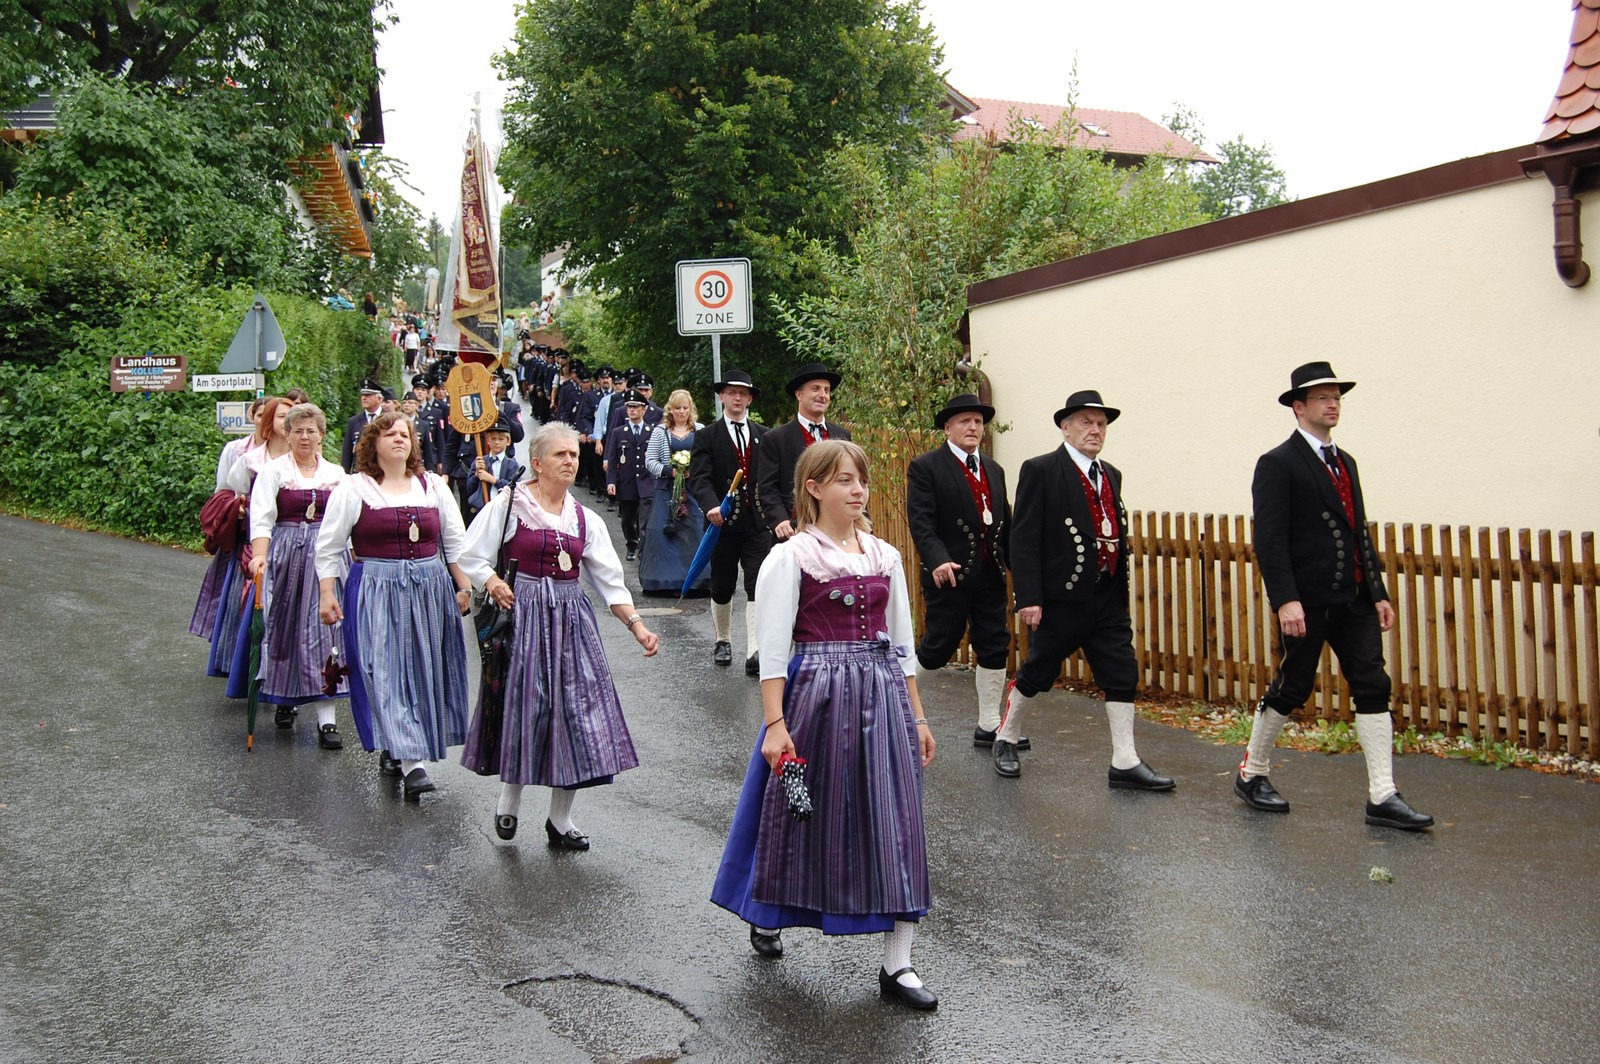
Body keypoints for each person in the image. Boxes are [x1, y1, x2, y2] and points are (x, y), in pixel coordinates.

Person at [711, 440, 938, 1011]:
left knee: (897, 819)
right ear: (813, 488)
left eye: (861, 480)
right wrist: (775, 724)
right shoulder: (790, 557)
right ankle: (768, 912)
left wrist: (917, 716)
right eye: (843, 480)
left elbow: (902, 644)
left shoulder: (885, 556)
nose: (858, 490)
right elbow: (773, 649)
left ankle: (899, 962)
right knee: (801, 816)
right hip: (817, 695)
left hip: (883, 694)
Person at [1241, 362, 1432, 831]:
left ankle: (1383, 794)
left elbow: (1358, 530)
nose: (1333, 404)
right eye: (1323, 398)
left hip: (1355, 598)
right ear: (1298, 407)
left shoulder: (1346, 462)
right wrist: (1286, 600)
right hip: (1307, 601)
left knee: (1372, 683)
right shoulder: (1277, 463)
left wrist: (1377, 591)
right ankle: (1252, 771)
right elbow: (1270, 539)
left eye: (1337, 397)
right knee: (1293, 686)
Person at [459, 423, 659, 847]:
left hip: (571, 622)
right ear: (537, 463)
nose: (570, 461)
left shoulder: (584, 518)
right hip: (522, 618)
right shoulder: (509, 504)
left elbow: (609, 581)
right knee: (526, 708)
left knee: (577, 716)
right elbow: (471, 556)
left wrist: (637, 626)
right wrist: (492, 581)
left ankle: (560, 820)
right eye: (560, 455)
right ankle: (509, 800)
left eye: (573, 454)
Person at [993, 390, 1173, 791]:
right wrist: (1029, 597)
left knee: (1121, 671)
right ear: (1065, 427)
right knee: (1039, 670)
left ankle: (1124, 760)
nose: (1095, 430)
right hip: (1061, 596)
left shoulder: (1111, 474)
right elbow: (1023, 537)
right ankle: (1006, 736)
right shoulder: (1041, 469)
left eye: (1101, 424)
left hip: (1106, 595)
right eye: (1086, 423)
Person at [315, 413, 474, 801]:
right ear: (373, 444)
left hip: (429, 587)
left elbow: (455, 542)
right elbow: (329, 547)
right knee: (385, 670)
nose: (399, 439)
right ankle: (412, 763)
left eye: (405, 434)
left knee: (422, 670)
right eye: (389, 435)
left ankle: (397, 745)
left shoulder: (432, 486)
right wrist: (327, 593)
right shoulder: (354, 489)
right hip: (376, 587)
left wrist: (465, 585)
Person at [906, 394, 1021, 749]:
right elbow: (921, 522)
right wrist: (937, 559)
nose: (973, 427)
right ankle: (901, 710)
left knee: (995, 644)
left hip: (989, 574)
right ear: (947, 428)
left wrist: (1021, 573)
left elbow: (1006, 524)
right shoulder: (926, 467)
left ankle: (989, 724)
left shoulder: (994, 469)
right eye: (964, 421)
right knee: (939, 646)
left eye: (978, 422)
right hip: (949, 575)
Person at [243, 403, 349, 747]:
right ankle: (285, 698)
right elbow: (261, 518)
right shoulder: (273, 472)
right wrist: (260, 555)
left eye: (311, 431)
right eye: (298, 431)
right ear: (287, 435)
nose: (305, 437)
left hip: (327, 559)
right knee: (284, 630)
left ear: (321, 436)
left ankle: (327, 720)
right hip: (286, 556)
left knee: (328, 634)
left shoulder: (336, 474)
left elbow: (348, 521)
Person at [688, 370, 771, 672]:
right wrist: (710, 505)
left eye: (743, 393)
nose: (737, 398)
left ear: (750, 399)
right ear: (722, 397)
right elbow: (699, 478)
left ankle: (755, 649)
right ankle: (723, 640)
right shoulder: (707, 436)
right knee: (722, 584)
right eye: (731, 393)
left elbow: (770, 478)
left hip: (757, 523)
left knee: (757, 582)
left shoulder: (765, 435)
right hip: (722, 523)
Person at [209, 396, 297, 679]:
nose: (287, 421)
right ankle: (245, 667)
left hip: (292, 544)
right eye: (281, 416)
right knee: (250, 604)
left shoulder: (303, 461)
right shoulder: (249, 461)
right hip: (253, 543)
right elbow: (226, 492)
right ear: (269, 420)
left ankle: (284, 670)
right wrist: (237, 508)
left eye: (291, 416)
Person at [756, 362, 852, 542]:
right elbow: (767, 487)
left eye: (826, 390)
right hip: (794, 531)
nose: (822, 395)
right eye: (815, 389)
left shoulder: (842, 435)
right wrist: (779, 519)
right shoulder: (775, 438)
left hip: (837, 530)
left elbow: (851, 480)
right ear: (799, 394)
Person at [638, 388, 708, 595]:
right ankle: (666, 581)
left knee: (696, 531)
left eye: (685, 408)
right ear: (670, 409)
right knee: (665, 534)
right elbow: (650, 460)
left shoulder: (700, 430)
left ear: (691, 409)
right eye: (677, 408)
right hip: (667, 490)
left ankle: (698, 581)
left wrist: (693, 470)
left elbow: (707, 458)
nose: (681, 412)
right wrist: (670, 471)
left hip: (693, 490)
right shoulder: (660, 431)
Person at [604, 390, 655, 561]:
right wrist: (611, 481)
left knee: (645, 519)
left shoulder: (652, 431)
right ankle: (632, 544)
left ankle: (644, 548)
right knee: (627, 518)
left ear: (643, 410)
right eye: (629, 407)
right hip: (627, 482)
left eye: (635, 407)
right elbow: (612, 459)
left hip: (647, 482)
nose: (632, 410)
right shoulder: (618, 432)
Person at [464, 415, 522, 523]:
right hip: (482, 511)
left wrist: (494, 480)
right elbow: (470, 488)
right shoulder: (480, 461)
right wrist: (476, 475)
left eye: (501, 439)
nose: (496, 442)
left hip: (503, 511)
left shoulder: (512, 464)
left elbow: (515, 488)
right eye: (493, 438)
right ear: (488, 440)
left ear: (508, 441)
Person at [341, 381, 383, 473]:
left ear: (379, 399)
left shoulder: (389, 419)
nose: (364, 398)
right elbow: (347, 452)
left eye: (368, 395)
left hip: (382, 471)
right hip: (360, 472)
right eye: (362, 395)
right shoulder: (353, 421)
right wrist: (345, 474)